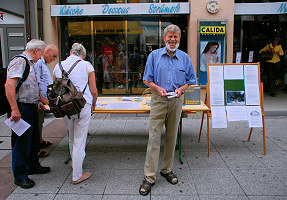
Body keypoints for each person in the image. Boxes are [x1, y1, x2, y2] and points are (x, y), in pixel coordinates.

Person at [139, 24, 197, 196]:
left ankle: (167, 169)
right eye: (169, 37)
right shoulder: (154, 56)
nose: (172, 40)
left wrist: (181, 89)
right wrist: (157, 88)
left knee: (172, 137)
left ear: (179, 38)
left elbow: (191, 80)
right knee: (154, 137)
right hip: (158, 100)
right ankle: (149, 177)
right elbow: (146, 80)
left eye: (176, 37)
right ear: (164, 38)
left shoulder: (185, 58)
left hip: (176, 101)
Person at [5, 39, 51, 189]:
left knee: (32, 140)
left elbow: (27, 86)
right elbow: (9, 85)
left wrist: (37, 101)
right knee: (21, 142)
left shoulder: (30, 63)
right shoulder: (20, 62)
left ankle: (33, 166)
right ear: (36, 51)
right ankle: (20, 176)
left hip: (31, 106)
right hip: (21, 108)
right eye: (42, 53)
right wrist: (14, 109)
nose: (42, 57)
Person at [53, 43, 98, 184]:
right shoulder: (86, 65)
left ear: (71, 53)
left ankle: (74, 163)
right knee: (80, 139)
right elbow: (94, 90)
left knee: (72, 137)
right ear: (83, 55)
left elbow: (55, 88)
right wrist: (94, 106)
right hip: (82, 105)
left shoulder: (58, 66)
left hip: (65, 106)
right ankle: (77, 175)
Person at [34, 44, 59, 157]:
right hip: (39, 100)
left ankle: (40, 141)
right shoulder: (38, 63)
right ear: (47, 51)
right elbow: (36, 82)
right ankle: (35, 149)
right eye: (53, 56)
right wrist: (42, 98)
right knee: (37, 123)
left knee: (40, 121)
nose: (53, 59)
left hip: (43, 99)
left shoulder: (43, 63)